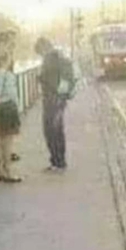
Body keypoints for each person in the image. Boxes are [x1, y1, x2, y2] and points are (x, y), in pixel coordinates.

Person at [35, 37, 76, 171]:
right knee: (58, 130)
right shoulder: (59, 56)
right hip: (60, 98)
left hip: (52, 99)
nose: (40, 55)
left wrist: (40, 78)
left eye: (40, 52)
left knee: (50, 131)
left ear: (43, 48)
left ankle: (56, 161)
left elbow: (48, 79)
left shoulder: (50, 59)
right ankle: (60, 161)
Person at [0, 48, 22, 183]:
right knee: (8, 141)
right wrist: (18, 108)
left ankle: (1, 169)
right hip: (8, 107)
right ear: (7, 60)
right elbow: (12, 94)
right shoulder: (8, 75)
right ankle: (8, 171)